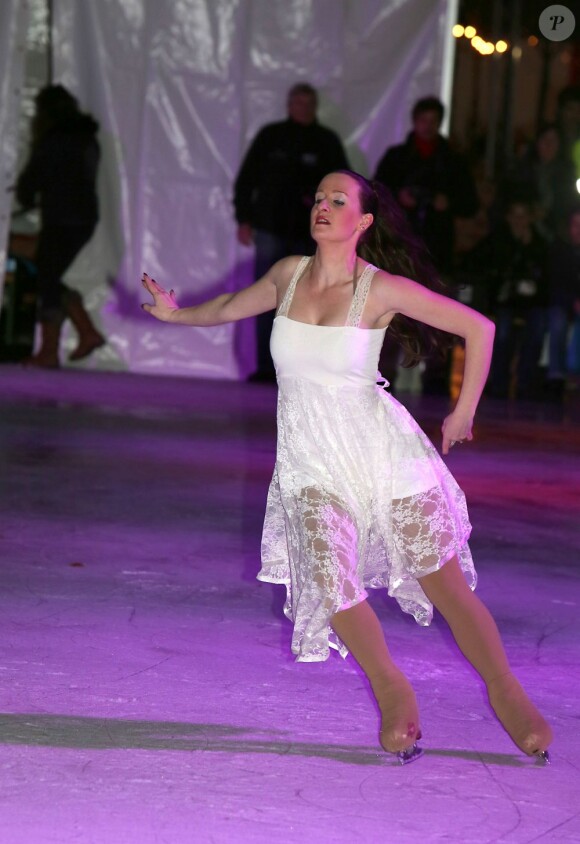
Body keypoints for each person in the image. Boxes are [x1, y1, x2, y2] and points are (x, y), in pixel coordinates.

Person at [141, 170, 552, 764]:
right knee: (333, 584)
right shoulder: (287, 275)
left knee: (446, 588)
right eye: (317, 198)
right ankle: (393, 693)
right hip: (311, 461)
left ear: (362, 222)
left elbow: (478, 328)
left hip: (383, 456)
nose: (323, 207)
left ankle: (508, 693)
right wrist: (175, 315)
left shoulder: (379, 289)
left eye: (338, 201)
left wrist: (464, 411)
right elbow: (231, 306)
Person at [233, 83, 349, 380]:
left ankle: (301, 368)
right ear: (289, 105)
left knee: (307, 299)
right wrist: (243, 219)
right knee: (266, 296)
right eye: (297, 102)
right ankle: (264, 366)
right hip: (269, 227)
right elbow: (247, 180)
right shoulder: (271, 137)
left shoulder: (326, 142)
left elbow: (346, 187)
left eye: (307, 103)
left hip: (310, 234)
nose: (302, 108)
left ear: (314, 106)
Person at [374, 96, 478, 395]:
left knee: (438, 313)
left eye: (433, 121)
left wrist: (448, 202)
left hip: (437, 249)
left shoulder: (452, 161)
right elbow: (375, 193)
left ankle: (435, 376)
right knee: (390, 310)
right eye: (424, 120)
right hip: (399, 247)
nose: (428, 127)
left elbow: (469, 203)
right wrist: (399, 198)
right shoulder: (397, 157)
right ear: (414, 120)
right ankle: (384, 374)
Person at [16, 84, 105, 368]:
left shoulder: (54, 138)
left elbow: (32, 179)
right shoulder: (87, 138)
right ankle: (86, 332)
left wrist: (25, 195)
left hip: (61, 217)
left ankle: (50, 351)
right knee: (48, 274)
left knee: (47, 278)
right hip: (84, 217)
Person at [545, 207, 580, 400]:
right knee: (557, 321)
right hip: (563, 303)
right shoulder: (560, 250)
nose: (579, 230)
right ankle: (556, 375)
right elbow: (554, 284)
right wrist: (573, 301)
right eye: (575, 225)